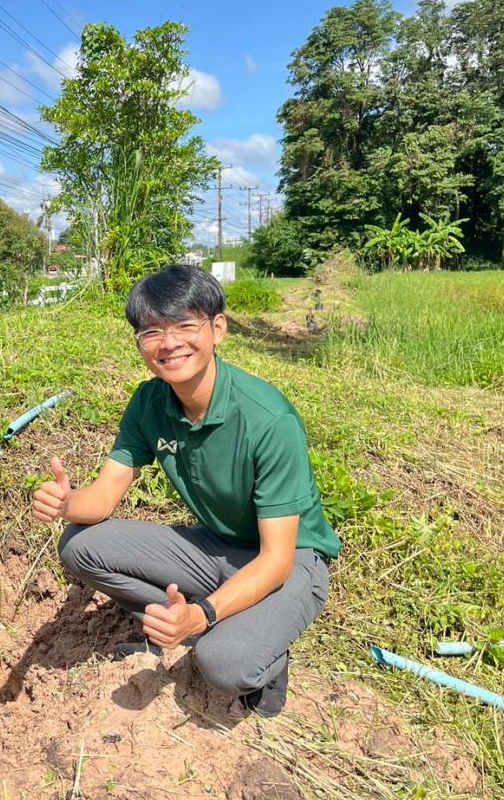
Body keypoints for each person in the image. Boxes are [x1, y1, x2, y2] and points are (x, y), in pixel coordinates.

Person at [30, 265, 337, 716]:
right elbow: (105, 494)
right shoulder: (149, 402)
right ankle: (186, 622)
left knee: (225, 664)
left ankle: (253, 648)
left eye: (185, 326)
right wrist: (68, 502)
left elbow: (276, 558)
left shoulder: (268, 420)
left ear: (218, 328)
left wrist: (203, 615)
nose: (169, 343)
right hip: (215, 545)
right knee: (80, 545)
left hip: (292, 558)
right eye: (152, 332)